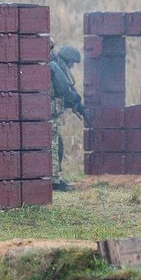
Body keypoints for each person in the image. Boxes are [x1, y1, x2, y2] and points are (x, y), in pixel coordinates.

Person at [50, 44, 85, 192]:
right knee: (54, 145)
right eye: (72, 63)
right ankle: (54, 181)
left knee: (58, 144)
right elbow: (64, 89)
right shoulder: (55, 66)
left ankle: (56, 178)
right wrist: (74, 99)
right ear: (67, 60)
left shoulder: (55, 65)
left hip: (51, 111)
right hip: (51, 112)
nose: (72, 66)